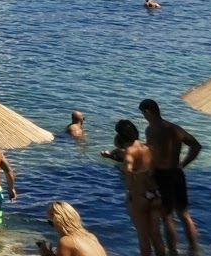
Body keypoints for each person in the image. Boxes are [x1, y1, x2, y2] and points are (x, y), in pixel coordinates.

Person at [140, 98, 201, 252]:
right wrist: (184, 164)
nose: (144, 117)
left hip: (162, 176)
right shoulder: (175, 128)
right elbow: (196, 146)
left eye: (143, 114)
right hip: (177, 173)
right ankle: (194, 249)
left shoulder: (151, 130)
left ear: (148, 112)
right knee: (184, 214)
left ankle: (173, 251)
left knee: (167, 216)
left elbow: (152, 154)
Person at [102, 119, 162, 256]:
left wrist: (129, 195)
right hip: (156, 194)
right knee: (156, 235)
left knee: (143, 236)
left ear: (121, 136)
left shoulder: (129, 152)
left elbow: (129, 177)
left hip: (140, 195)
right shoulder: (148, 147)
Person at [35, 201, 109, 256]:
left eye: (51, 223)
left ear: (58, 222)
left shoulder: (66, 241)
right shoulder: (91, 236)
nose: (53, 228)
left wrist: (44, 253)